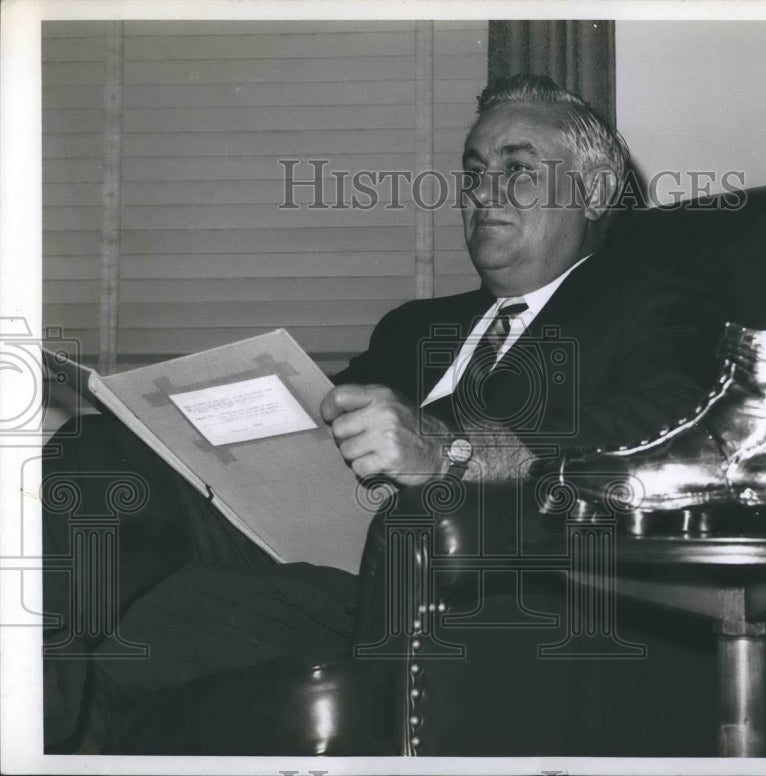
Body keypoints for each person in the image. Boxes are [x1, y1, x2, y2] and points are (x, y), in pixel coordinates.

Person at [42, 73, 725, 752]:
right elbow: (316, 429)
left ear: (596, 190)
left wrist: (449, 449)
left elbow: (667, 428)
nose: (482, 191)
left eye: (517, 168)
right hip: (300, 550)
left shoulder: (653, 304)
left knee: (108, 631)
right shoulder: (414, 327)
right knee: (100, 452)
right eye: (474, 172)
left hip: (442, 588)